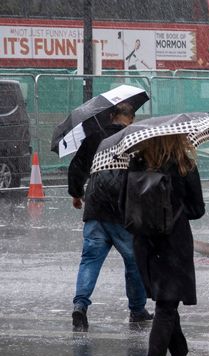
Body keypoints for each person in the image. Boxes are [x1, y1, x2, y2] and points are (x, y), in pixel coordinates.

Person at [126, 134, 205, 356]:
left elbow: (123, 205)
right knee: (166, 306)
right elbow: (197, 209)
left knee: (166, 303)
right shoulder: (184, 165)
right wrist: (175, 205)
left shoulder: (136, 163)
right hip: (174, 243)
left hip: (144, 244)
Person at [68, 103, 152, 330]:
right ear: (130, 119)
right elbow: (144, 174)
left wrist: (76, 194)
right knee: (134, 260)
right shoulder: (134, 138)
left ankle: (80, 305)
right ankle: (137, 309)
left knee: (90, 260)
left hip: (95, 206)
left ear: (111, 116)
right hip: (121, 208)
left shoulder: (94, 137)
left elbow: (76, 167)